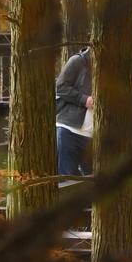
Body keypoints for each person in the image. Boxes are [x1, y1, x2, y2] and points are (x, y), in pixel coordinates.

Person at [55, 47, 93, 177]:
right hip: (69, 132)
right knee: (67, 183)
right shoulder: (78, 61)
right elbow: (60, 87)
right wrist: (84, 99)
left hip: (95, 138)